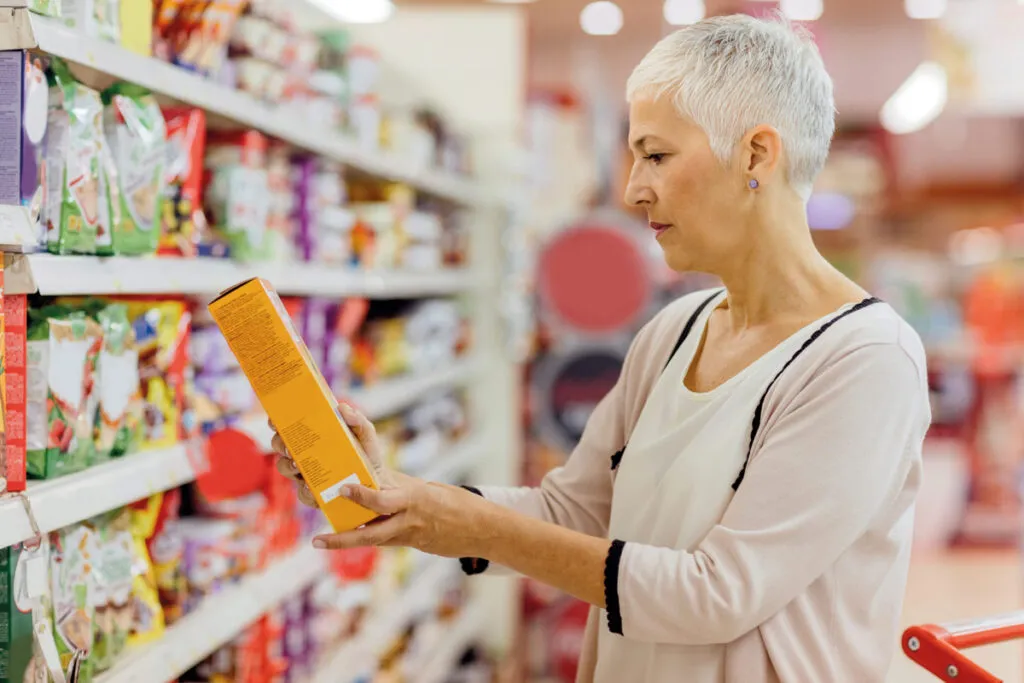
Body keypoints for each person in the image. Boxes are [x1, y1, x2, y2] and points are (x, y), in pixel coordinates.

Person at [272, 14, 930, 683]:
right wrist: (402, 499)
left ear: (757, 155)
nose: (632, 188)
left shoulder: (864, 360)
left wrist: (469, 524)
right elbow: (574, 511)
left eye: (657, 154)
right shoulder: (675, 333)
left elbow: (719, 592)